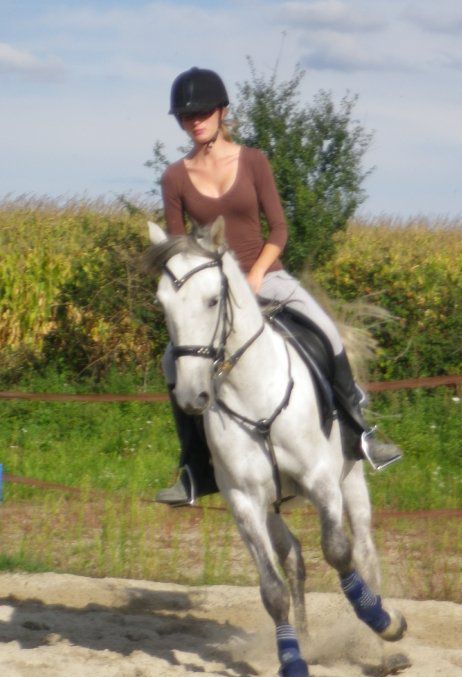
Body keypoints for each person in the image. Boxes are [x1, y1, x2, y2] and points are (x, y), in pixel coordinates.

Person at [155, 67, 401, 506]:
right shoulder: (175, 177)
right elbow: (180, 251)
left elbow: (279, 229)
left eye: (202, 112)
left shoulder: (253, 161)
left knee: (327, 332)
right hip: (215, 289)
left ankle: (360, 433)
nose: (194, 121)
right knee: (171, 362)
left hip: (267, 275)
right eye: (186, 116)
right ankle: (195, 469)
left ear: (221, 112)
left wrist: (255, 275)